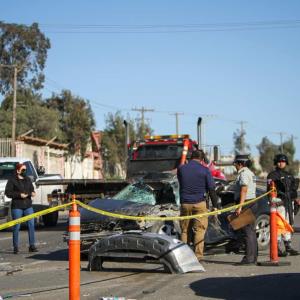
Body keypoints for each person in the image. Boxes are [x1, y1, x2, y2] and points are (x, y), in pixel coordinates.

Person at [177, 149, 218, 261]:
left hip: (185, 203)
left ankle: (183, 255)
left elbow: (181, 182)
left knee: (185, 230)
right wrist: (215, 205)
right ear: (202, 160)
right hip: (200, 203)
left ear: (191, 157)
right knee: (199, 230)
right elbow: (211, 189)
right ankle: (198, 256)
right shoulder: (204, 170)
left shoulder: (181, 169)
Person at [267, 153, 299, 256]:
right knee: (278, 226)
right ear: (276, 163)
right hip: (279, 203)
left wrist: (294, 197)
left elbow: (294, 190)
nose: (281, 163)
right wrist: (273, 200)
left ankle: (288, 247)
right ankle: (277, 248)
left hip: (289, 203)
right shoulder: (272, 175)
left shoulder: (289, 175)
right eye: (279, 161)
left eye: (283, 161)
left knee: (288, 224)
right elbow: (269, 190)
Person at [5, 163, 38, 254]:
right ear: (18, 170)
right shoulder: (12, 180)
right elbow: (8, 193)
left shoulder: (27, 179)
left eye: (25, 170)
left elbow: (31, 189)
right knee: (17, 226)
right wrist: (19, 195)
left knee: (31, 225)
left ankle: (32, 246)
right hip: (17, 206)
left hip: (28, 205)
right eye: (23, 170)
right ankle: (16, 247)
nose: (25, 171)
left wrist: (33, 193)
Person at [233, 154, 258, 265]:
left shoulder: (243, 174)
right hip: (252, 202)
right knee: (251, 231)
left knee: (247, 232)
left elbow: (244, 190)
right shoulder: (250, 173)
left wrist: (240, 207)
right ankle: (253, 257)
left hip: (246, 203)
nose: (235, 165)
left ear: (241, 164)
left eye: (236, 163)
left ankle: (249, 258)